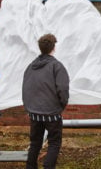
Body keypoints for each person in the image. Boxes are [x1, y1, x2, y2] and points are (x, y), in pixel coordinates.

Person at [22, 34, 69, 169]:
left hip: (34, 113)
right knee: (54, 143)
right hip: (52, 113)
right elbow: (63, 89)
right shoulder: (57, 66)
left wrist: (29, 108)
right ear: (53, 47)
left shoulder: (30, 66)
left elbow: (25, 88)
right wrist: (61, 105)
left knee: (35, 143)